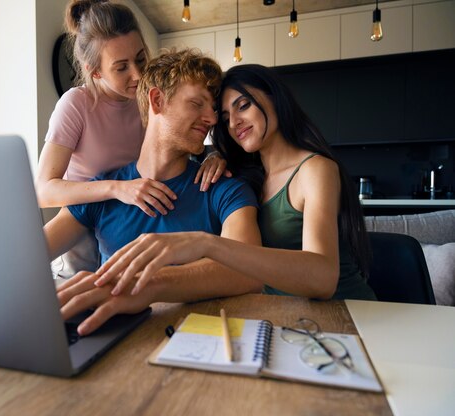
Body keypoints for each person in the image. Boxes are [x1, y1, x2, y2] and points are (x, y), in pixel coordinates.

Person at [94, 64, 377, 301]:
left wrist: (208, 245)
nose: (233, 123)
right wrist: (218, 156)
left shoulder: (315, 169)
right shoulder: (245, 175)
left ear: (275, 98)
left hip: (347, 315)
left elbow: (323, 278)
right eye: (226, 117)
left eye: (243, 106)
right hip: (287, 318)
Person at [45, 49, 262, 336]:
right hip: (110, 342)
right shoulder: (104, 190)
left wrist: (144, 284)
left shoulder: (223, 188)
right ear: (157, 101)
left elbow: (250, 270)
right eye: (197, 103)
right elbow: (29, 254)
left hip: (195, 346)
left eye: (213, 109)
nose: (211, 118)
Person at [36, 0, 227, 279]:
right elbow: (44, 191)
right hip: (82, 235)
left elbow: (173, 145)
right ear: (95, 71)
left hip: (131, 221)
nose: (138, 75)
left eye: (140, 58)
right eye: (121, 67)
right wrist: (117, 189)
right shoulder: (76, 104)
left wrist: (214, 157)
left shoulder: (148, 98)